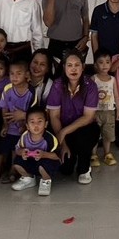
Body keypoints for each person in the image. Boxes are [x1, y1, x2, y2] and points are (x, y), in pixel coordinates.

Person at [47, 51, 101, 183]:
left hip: (84, 129)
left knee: (86, 136)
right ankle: (73, 155)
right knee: (66, 170)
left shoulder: (90, 86)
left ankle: (85, 167)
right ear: (64, 67)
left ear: (83, 67)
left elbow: (88, 117)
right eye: (69, 65)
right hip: (62, 127)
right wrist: (63, 144)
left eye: (77, 65)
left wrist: (64, 132)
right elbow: (54, 116)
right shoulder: (57, 85)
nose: (73, 69)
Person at [0, 60, 35, 182]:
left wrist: (25, 126)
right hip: (9, 128)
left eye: (18, 73)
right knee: (1, 150)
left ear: (26, 74)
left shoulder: (31, 92)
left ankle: (13, 172)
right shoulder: (7, 89)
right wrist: (5, 125)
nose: (14, 77)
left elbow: (33, 112)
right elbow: (4, 108)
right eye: (12, 73)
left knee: (15, 151)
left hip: (22, 130)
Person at [10, 108, 60, 197]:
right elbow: (17, 149)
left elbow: (57, 156)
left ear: (46, 124)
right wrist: (22, 152)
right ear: (27, 126)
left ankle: (46, 181)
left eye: (40, 121)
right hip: (31, 161)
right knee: (17, 162)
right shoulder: (24, 136)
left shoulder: (50, 138)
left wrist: (44, 154)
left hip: (45, 163)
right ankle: (28, 179)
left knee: (43, 165)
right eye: (32, 122)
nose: (36, 125)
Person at [91, 50, 119, 166]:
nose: (104, 65)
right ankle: (93, 155)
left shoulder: (112, 79)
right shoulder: (94, 79)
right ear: (95, 65)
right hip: (96, 112)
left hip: (109, 111)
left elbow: (116, 96)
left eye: (107, 62)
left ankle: (107, 153)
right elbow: (89, 97)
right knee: (95, 134)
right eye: (101, 62)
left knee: (108, 134)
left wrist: (118, 111)